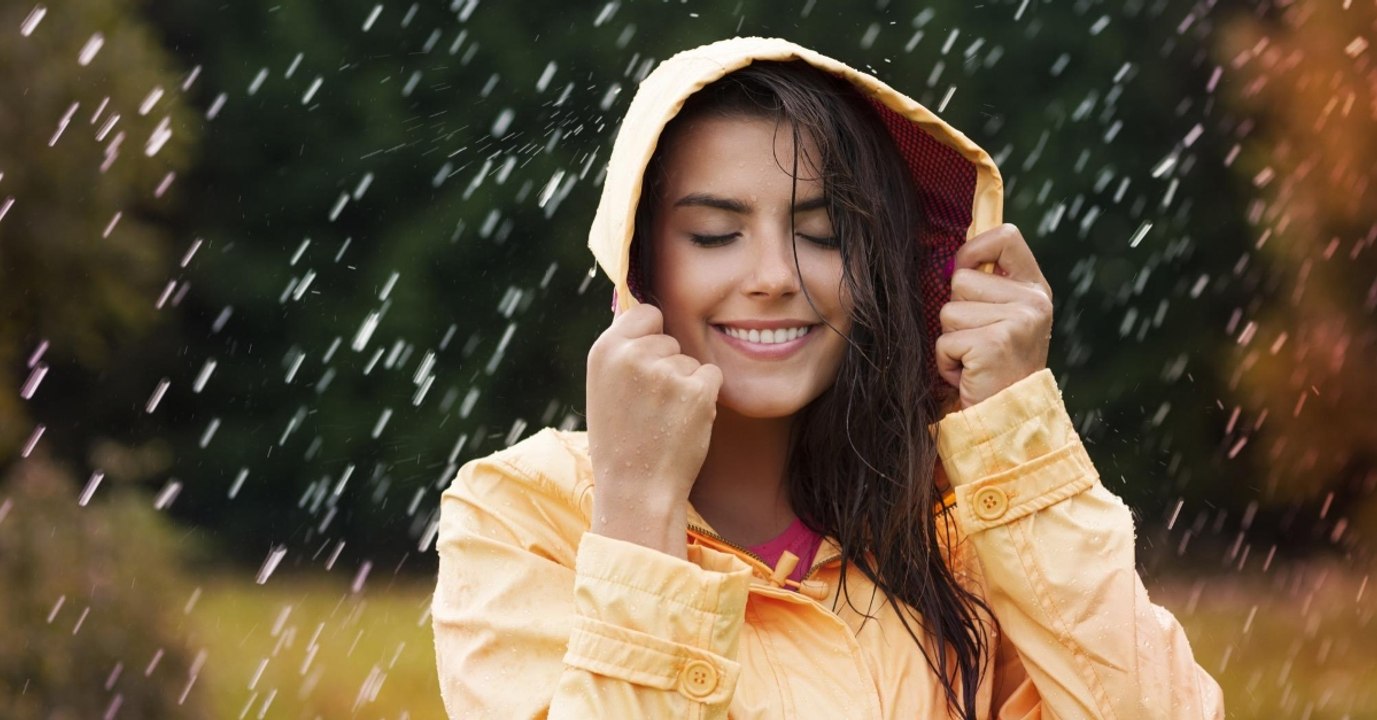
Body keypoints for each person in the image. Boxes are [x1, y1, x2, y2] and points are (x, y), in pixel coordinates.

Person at [432, 37, 1224, 719]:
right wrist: (637, 508)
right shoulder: (520, 514)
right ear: (640, 268)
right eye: (714, 234)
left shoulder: (957, 541)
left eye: (823, 232)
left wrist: (1015, 432)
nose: (775, 275)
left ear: (880, 266)